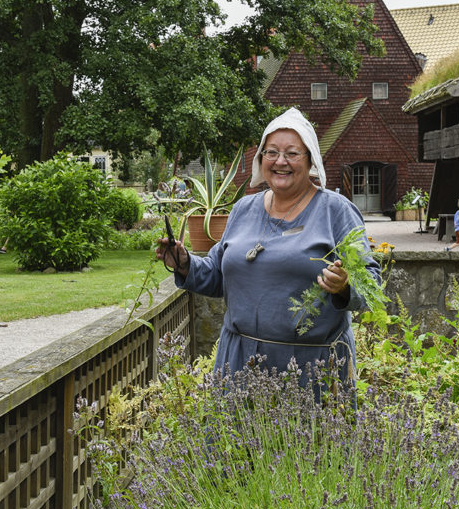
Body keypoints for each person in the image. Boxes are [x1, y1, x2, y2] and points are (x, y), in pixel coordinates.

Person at [156, 107, 381, 388]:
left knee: (312, 434)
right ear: (261, 159)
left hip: (312, 370)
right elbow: (217, 274)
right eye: (271, 152)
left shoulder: (335, 211)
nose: (280, 161)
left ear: (310, 159)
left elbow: (371, 283)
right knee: (236, 433)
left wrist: (344, 287)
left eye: (292, 153)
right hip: (239, 364)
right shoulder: (243, 209)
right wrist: (184, 262)